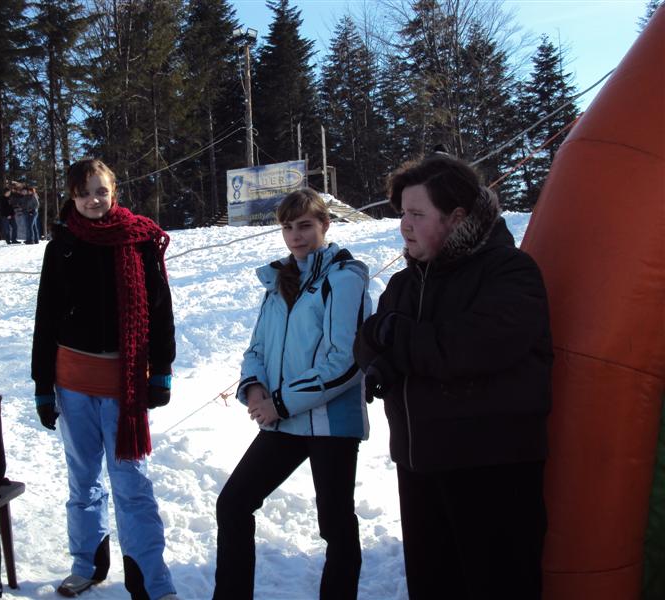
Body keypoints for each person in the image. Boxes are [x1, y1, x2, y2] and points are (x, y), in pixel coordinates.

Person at [353, 154, 552, 599]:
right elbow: (366, 342)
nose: (404, 226)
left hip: (491, 472)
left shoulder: (509, 271)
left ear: (457, 218)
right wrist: (382, 357)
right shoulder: (407, 283)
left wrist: (395, 337)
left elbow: (467, 348)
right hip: (419, 465)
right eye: (402, 213)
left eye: (417, 214)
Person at [31, 158, 179, 600]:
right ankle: (87, 564)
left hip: (124, 384)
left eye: (100, 191)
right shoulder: (61, 246)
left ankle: (150, 580)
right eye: (84, 193)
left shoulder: (140, 240)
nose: (93, 200)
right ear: (72, 196)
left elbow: (160, 311)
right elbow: (46, 318)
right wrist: (42, 386)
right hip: (72, 382)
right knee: (83, 483)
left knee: (132, 485)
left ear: (114, 191)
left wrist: (162, 371)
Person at [213, 188, 372, 600]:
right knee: (233, 504)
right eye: (288, 227)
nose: (296, 236)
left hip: (330, 423)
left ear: (325, 224)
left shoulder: (344, 278)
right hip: (284, 420)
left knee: (335, 525)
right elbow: (257, 349)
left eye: (305, 225)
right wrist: (254, 389)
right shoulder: (279, 281)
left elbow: (346, 361)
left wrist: (280, 403)